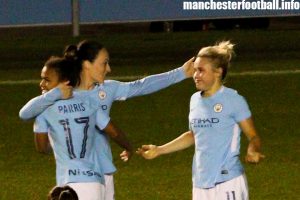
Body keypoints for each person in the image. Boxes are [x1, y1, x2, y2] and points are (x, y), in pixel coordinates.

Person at [19, 40, 195, 200]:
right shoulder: (62, 96)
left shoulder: (106, 89)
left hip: (103, 173)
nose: (109, 69)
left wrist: (180, 73)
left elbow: (141, 86)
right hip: (78, 177)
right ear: (87, 65)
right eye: (104, 63)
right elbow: (113, 130)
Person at [137, 41, 265, 200]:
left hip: (227, 181)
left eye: (201, 70)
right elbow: (193, 135)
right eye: (195, 70)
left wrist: (252, 150)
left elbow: (253, 136)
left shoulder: (233, 100)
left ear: (218, 72)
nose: (195, 75)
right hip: (200, 183)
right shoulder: (195, 100)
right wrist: (159, 150)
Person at [33, 56, 132, 200]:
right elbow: (114, 132)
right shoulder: (88, 103)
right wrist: (128, 147)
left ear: (64, 82)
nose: (42, 83)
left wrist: (57, 143)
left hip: (69, 182)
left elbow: (42, 147)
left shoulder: (43, 109)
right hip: (96, 182)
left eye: (47, 80)